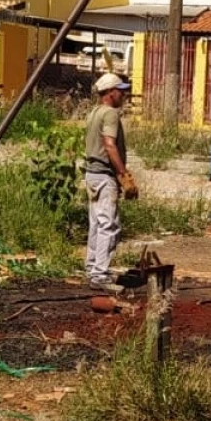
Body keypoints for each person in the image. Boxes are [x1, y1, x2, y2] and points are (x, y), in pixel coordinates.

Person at [83, 73, 139, 291]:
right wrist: (123, 173)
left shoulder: (94, 113)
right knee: (109, 225)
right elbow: (109, 144)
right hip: (105, 176)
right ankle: (100, 274)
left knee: (96, 223)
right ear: (110, 93)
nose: (123, 94)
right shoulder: (110, 114)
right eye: (120, 90)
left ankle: (92, 267)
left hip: (91, 175)